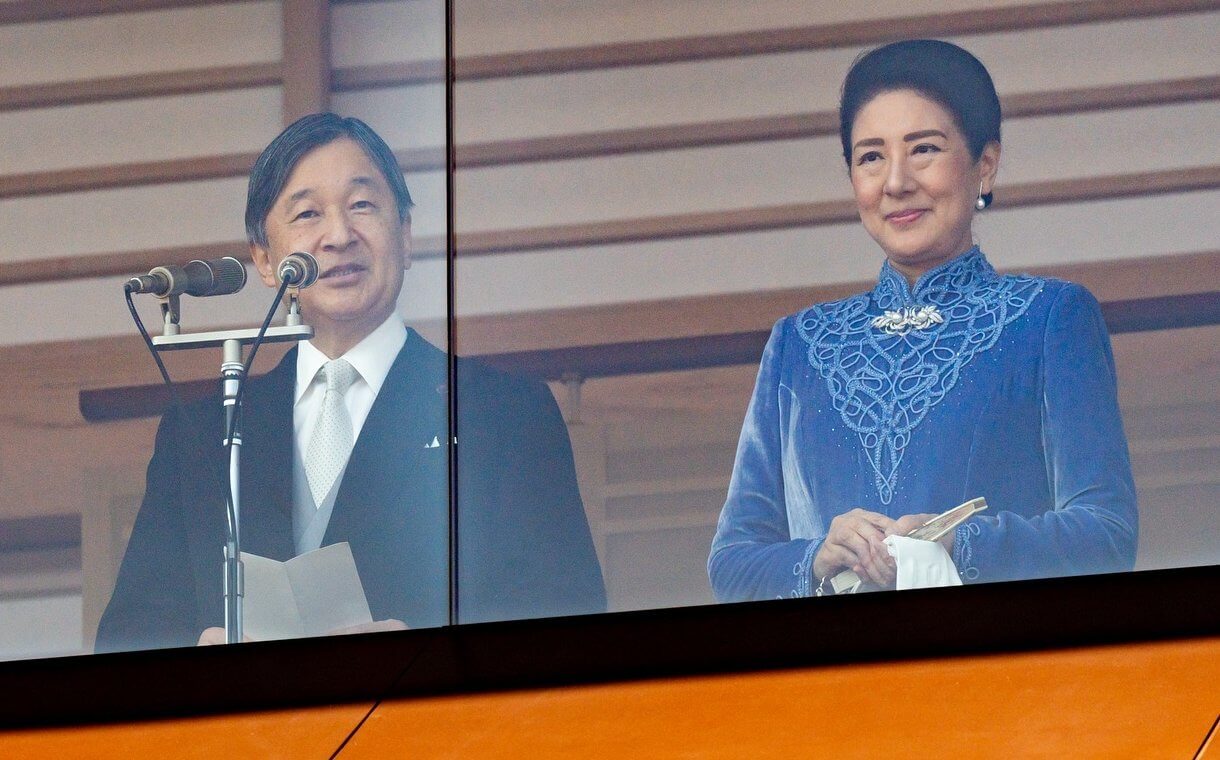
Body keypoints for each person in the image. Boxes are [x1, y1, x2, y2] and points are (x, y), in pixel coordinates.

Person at [97, 114, 605, 651]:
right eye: (308, 213)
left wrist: (421, 653)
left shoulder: (502, 413)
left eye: (362, 205)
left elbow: (567, 617)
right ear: (265, 261)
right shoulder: (203, 432)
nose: (339, 236)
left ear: (406, 236)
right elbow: (129, 635)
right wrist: (205, 649)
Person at [708, 40, 1138, 602]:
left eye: (924, 150)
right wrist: (818, 556)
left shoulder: (1050, 317)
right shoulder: (799, 343)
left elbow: (1107, 535)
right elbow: (733, 563)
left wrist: (960, 543)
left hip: (996, 670)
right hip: (837, 679)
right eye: (870, 157)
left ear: (985, 165)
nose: (895, 182)